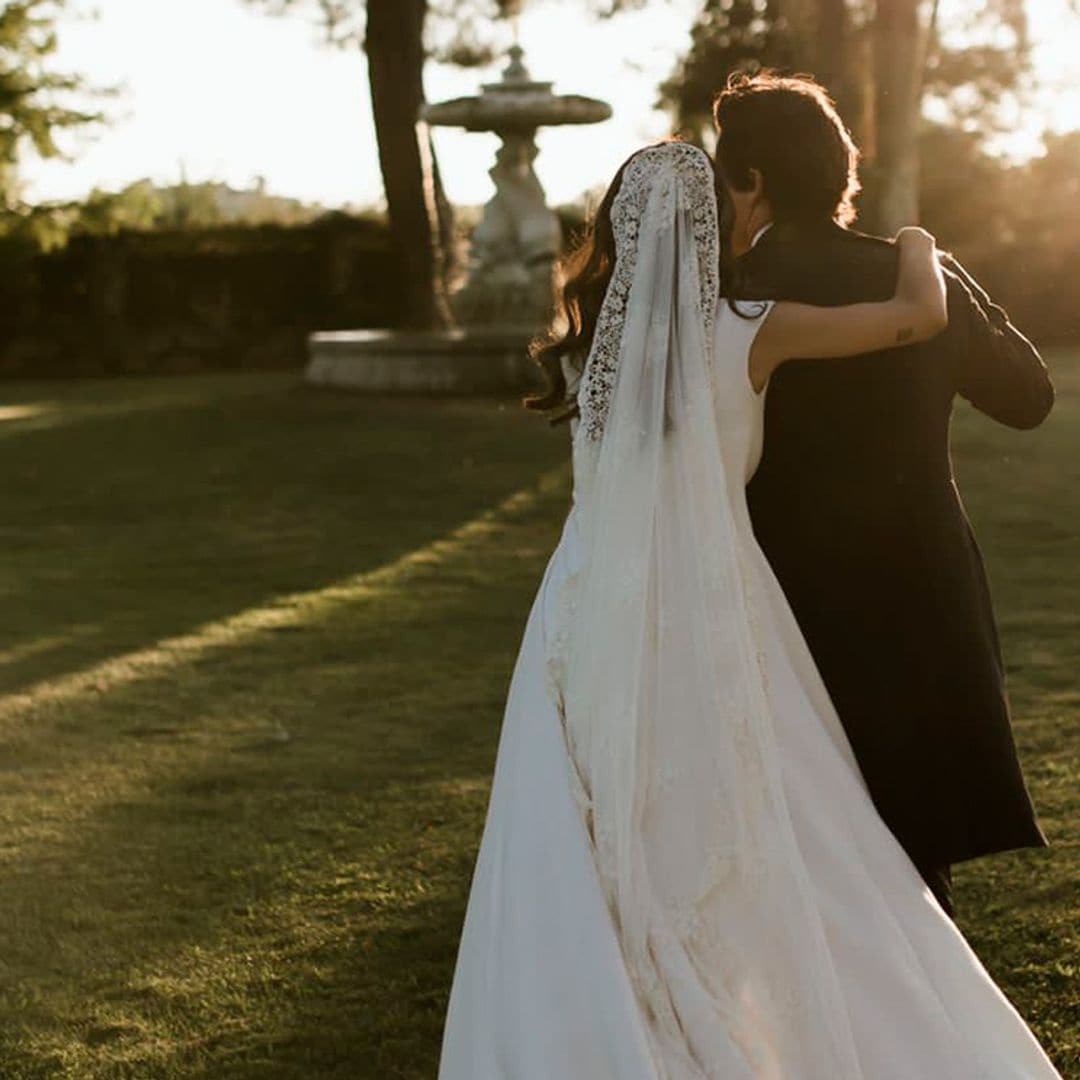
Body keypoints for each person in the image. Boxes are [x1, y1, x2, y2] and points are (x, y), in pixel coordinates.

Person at [438, 140, 1060, 1078]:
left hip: (584, 597)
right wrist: (922, 238)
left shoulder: (590, 354)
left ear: (620, 231)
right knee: (764, 805)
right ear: (715, 221)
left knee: (587, 810)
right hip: (714, 587)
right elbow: (914, 315)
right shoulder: (753, 328)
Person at [715, 72, 1054, 916]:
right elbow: (1026, 398)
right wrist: (954, 275)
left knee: (808, 828)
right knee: (915, 834)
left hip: (784, 583)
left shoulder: (720, 297)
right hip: (918, 576)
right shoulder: (917, 279)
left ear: (751, 180)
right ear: (841, 171)